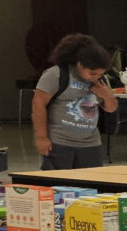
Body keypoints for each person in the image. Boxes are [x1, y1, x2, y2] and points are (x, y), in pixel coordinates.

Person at [32, 33, 119, 169]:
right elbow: (38, 104)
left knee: (92, 186)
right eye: (92, 73)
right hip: (59, 142)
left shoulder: (101, 81)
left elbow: (111, 108)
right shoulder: (56, 74)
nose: (95, 77)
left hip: (91, 144)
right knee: (60, 186)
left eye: (100, 74)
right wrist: (41, 137)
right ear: (79, 64)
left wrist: (107, 96)